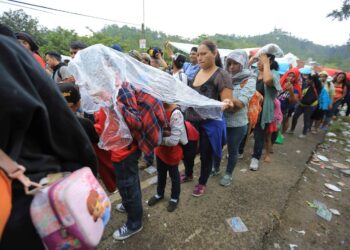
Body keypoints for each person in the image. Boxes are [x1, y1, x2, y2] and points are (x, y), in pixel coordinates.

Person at [0, 34, 98, 250]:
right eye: (71, 53)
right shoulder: (9, 54)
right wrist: (86, 182)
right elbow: (69, 133)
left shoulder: (7, 53)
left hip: (30, 201)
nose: (74, 56)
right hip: (34, 202)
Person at [185, 40, 233, 196]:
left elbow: (227, 101)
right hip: (191, 121)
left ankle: (202, 182)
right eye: (198, 54)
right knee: (188, 152)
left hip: (209, 124)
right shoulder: (197, 71)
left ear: (215, 53)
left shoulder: (221, 75)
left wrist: (226, 103)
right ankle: (188, 173)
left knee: (206, 154)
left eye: (204, 54)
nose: (199, 57)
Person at [219, 49, 255, 186]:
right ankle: (216, 168)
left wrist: (228, 100)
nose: (231, 67)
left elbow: (241, 103)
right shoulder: (224, 76)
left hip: (237, 123)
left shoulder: (249, 80)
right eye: (229, 63)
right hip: (221, 120)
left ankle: (228, 174)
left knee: (232, 150)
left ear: (243, 64)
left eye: (235, 64)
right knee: (217, 147)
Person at [147, 103, 187, 212]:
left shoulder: (176, 114)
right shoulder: (157, 107)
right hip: (160, 151)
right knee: (161, 174)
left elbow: (173, 141)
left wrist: (157, 139)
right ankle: (160, 194)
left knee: (174, 176)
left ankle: (174, 198)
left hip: (172, 153)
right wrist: (163, 134)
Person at [248, 52, 282, 171]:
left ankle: (255, 158)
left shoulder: (275, 75)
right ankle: (239, 151)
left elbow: (267, 81)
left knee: (259, 135)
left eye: (261, 60)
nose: (258, 63)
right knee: (244, 130)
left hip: (264, 110)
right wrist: (250, 61)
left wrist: (266, 63)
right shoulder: (256, 72)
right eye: (258, 60)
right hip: (251, 108)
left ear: (269, 62)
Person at [289, 73, 322, 138]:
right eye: (306, 79)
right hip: (301, 104)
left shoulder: (317, 87)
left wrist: (314, 77)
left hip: (310, 106)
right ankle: (292, 130)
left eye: (308, 79)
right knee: (295, 116)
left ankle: (304, 133)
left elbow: (317, 82)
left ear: (312, 80)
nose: (306, 80)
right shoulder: (305, 85)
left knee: (306, 119)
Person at [278, 68, 301, 133]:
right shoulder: (280, 83)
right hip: (276, 107)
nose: (290, 78)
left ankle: (282, 133)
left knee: (285, 120)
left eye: (293, 76)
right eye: (289, 75)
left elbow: (293, 100)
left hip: (285, 109)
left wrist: (290, 90)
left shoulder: (296, 88)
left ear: (296, 78)